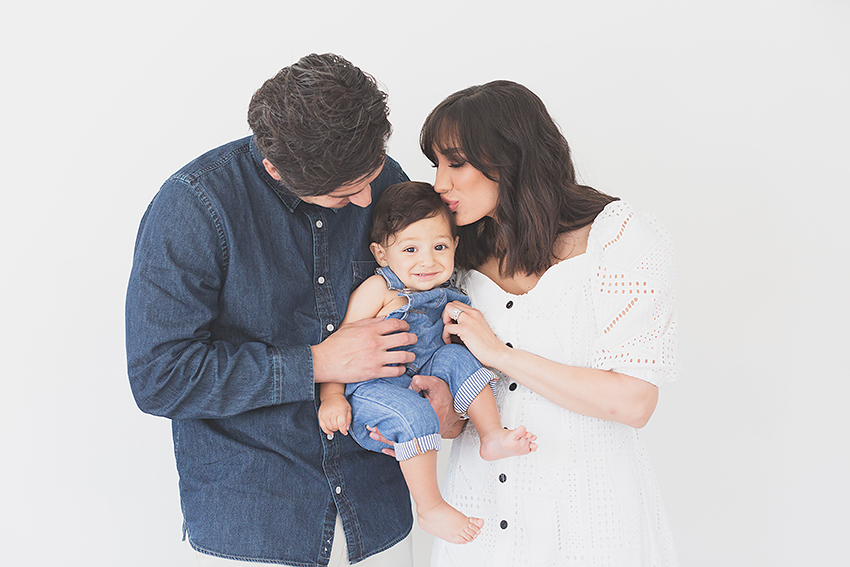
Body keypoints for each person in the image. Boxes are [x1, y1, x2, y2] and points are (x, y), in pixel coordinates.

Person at [126, 53, 428, 566]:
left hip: (379, 517)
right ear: (275, 169)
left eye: (370, 177)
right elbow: (160, 377)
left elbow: (427, 294)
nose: (365, 203)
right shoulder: (194, 206)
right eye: (343, 193)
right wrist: (318, 363)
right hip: (254, 527)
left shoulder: (384, 180)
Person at [419, 81, 680, 566]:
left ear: (510, 156)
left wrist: (501, 355)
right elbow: (460, 414)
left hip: (591, 517)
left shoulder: (618, 237)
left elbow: (634, 401)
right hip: (476, 520)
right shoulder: (451, 257)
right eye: (436, 164)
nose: (439, 183)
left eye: (455, 163)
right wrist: (442, 413)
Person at [317, 181, 537, 545]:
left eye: (439, 247)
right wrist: (332, 397)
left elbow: (451, 351)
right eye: (410, 249)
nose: (428, 261)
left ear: (455, 246)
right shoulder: (379, 289)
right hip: (374, 392)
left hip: (422, 380)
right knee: (413, 413)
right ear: (381, 254)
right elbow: (340, 347)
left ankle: (491, 434)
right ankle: (430, 507)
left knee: (457, 357)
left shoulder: (449, 290)